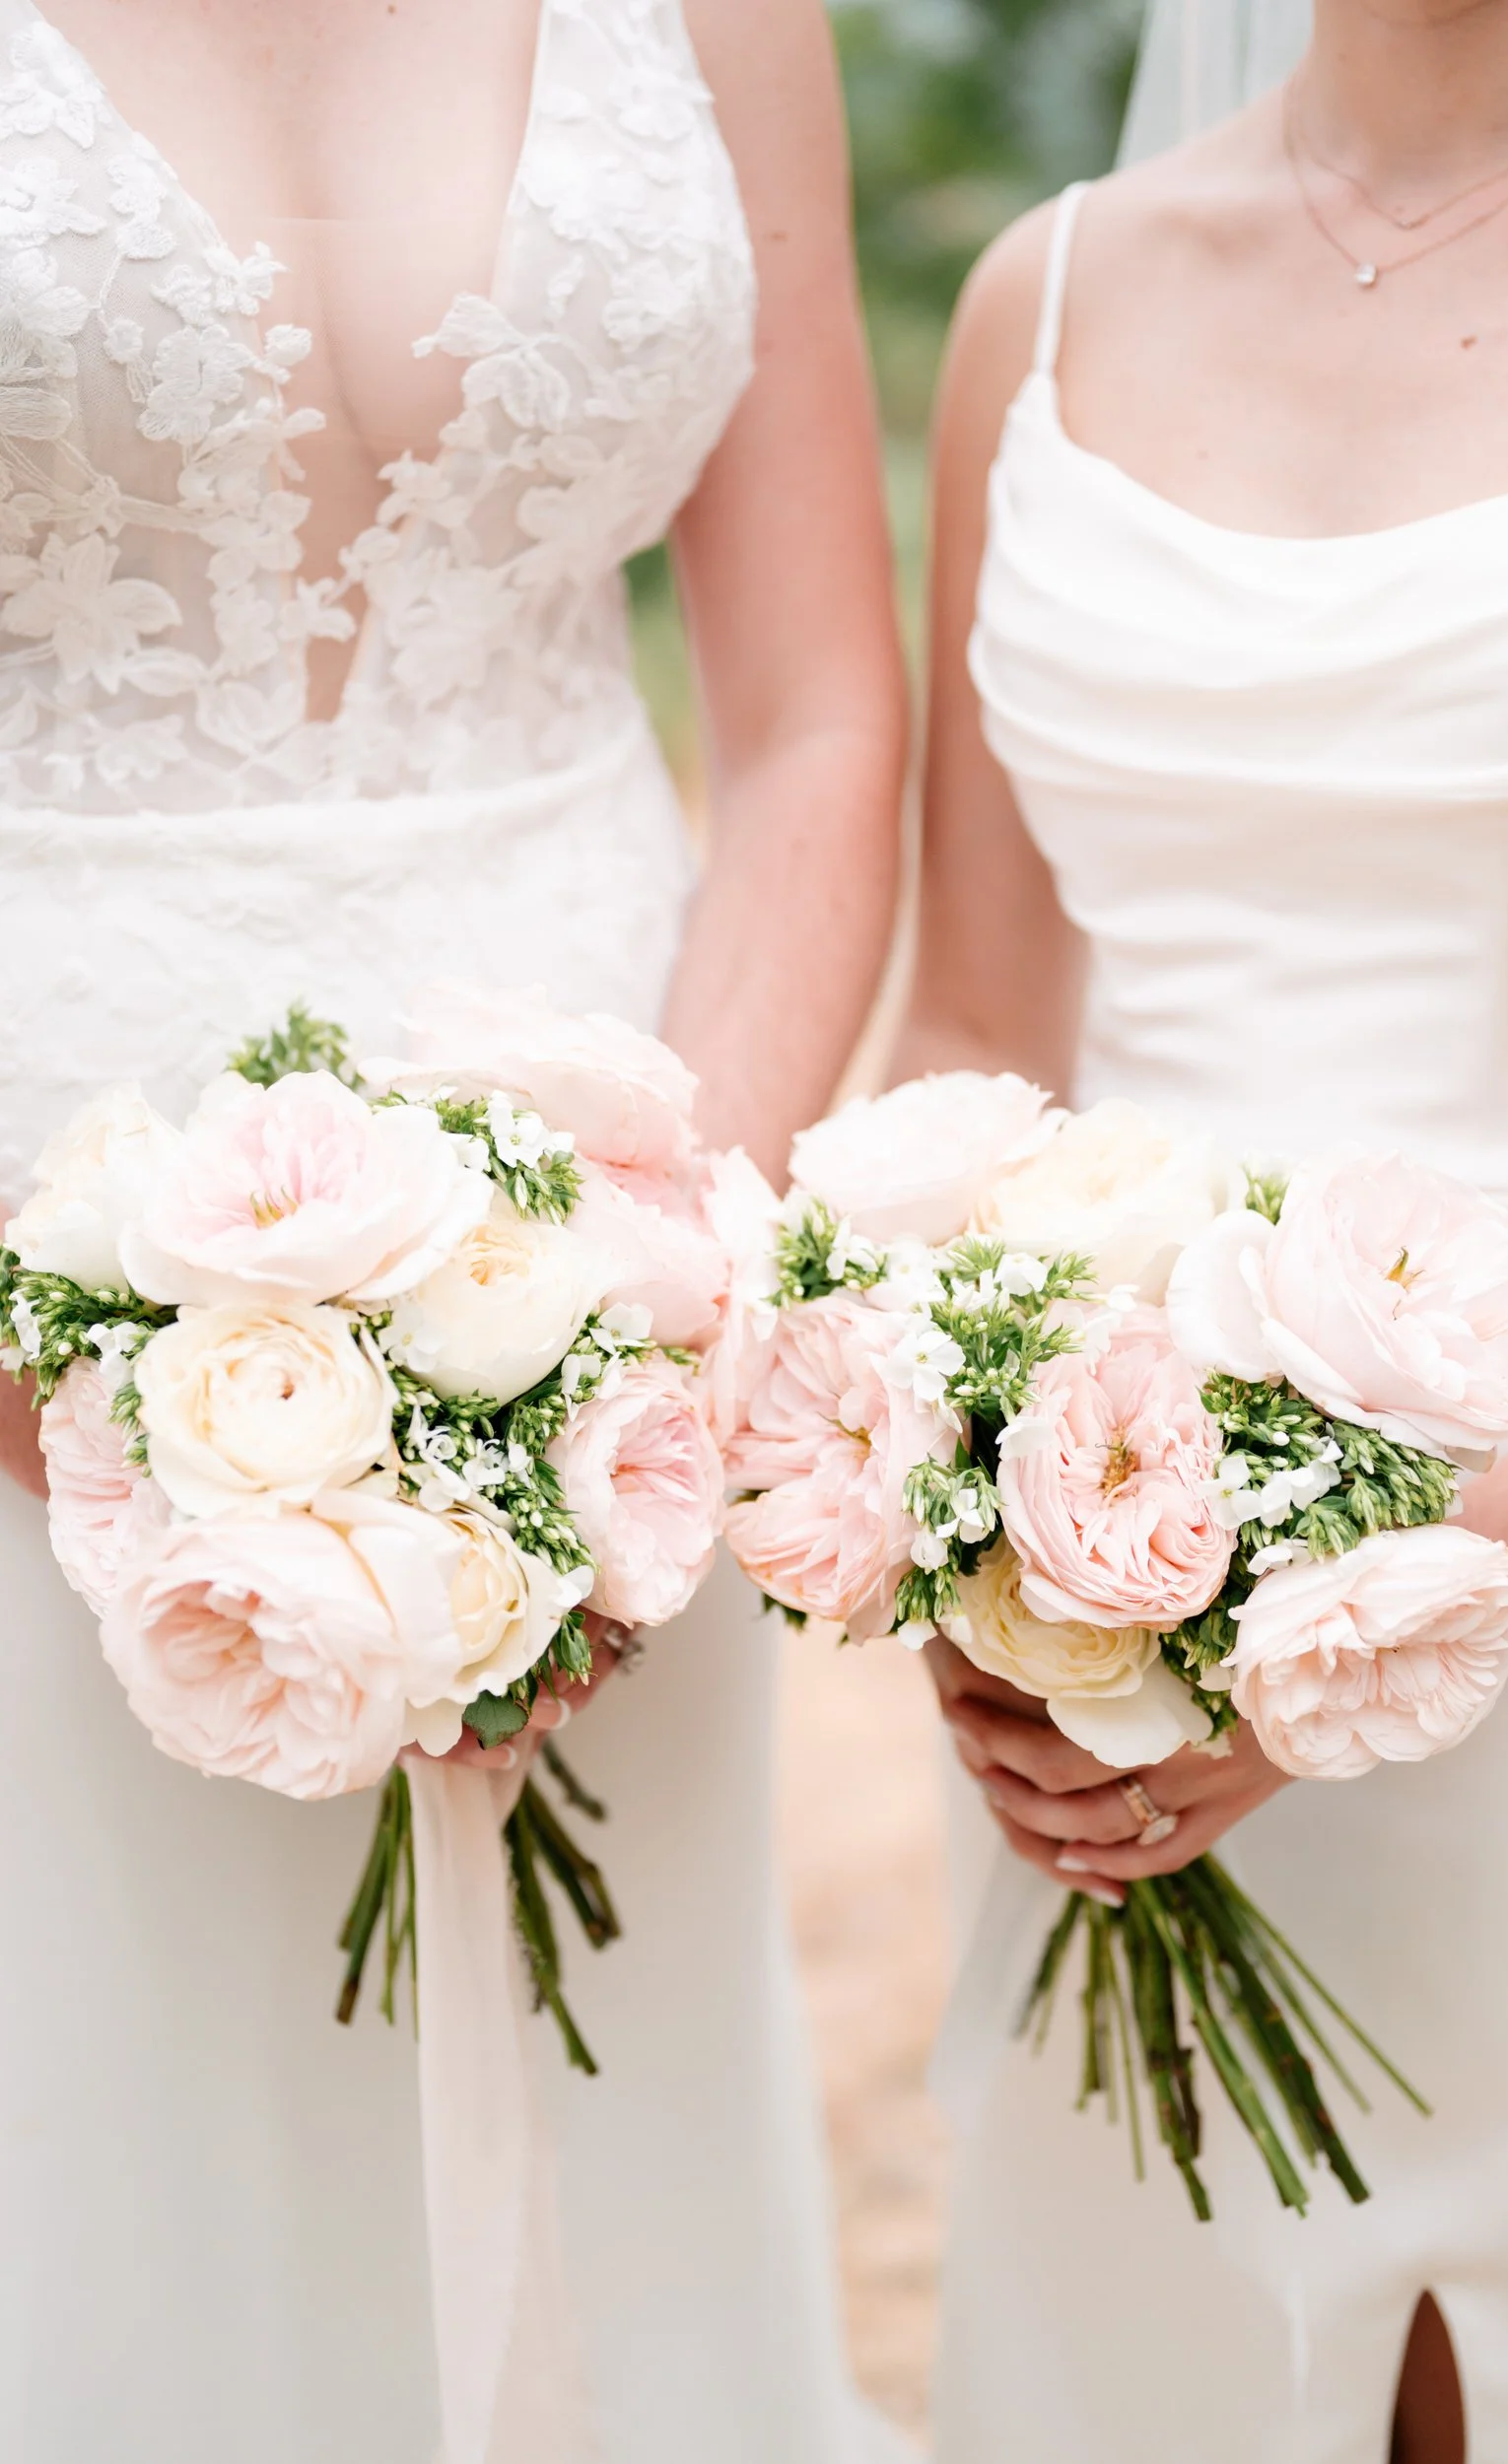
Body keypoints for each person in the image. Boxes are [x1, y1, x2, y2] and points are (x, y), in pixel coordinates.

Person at [0, 3, 907, 2459]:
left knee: (585, 2093)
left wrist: (659, 1286)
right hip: (40, 1245)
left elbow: (820, 711)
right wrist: (40, 1338)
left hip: (608, 1263)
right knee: (106, 2104)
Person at [904, 0, 1508, 2455]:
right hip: (1107, 1642)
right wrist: (943, 1507)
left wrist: (1356, 1619)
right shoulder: (1053, 294)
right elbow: (976, 1032)